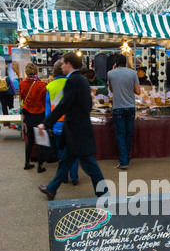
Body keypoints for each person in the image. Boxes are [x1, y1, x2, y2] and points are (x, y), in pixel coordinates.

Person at [37, 52, 107, 201]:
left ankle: (104, 193)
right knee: (66, 161)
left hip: (76, 131)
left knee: (89, 164)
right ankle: (51, 189)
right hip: (78, 129)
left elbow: (63, 105)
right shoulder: (82, 80)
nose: (61, 66)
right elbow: (88, 105)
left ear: (69, 63)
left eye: (62, 63)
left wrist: (46, 122)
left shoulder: (73, 81)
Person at [45, 59, 79, 185]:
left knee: (61, 152)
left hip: (57, 124)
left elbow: (48, 108)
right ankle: (74, 177)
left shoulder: (50, 86)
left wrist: (48, 124)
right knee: (74, 151)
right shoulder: (72, 82)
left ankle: (63, 177)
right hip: (71, 122)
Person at [107, 54, 141, 169]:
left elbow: (111, 89)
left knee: (120, 134)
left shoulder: (110, 73)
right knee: (129, 134)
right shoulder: (133, 73)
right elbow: (138, 91)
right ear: (126, 62)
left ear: (115, 63)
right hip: (131, 106)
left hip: (118, 107)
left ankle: (123, 161)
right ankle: (126, 158)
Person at [19, 63, 47, 172]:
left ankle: (27, 162)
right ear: (36, 71)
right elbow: (44, 101)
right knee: (41, 141)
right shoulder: (42, 85)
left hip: (29, 115)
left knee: (30, 140)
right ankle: (40, 166)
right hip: (40, 114)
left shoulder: (22, 84)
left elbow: (22, 99)